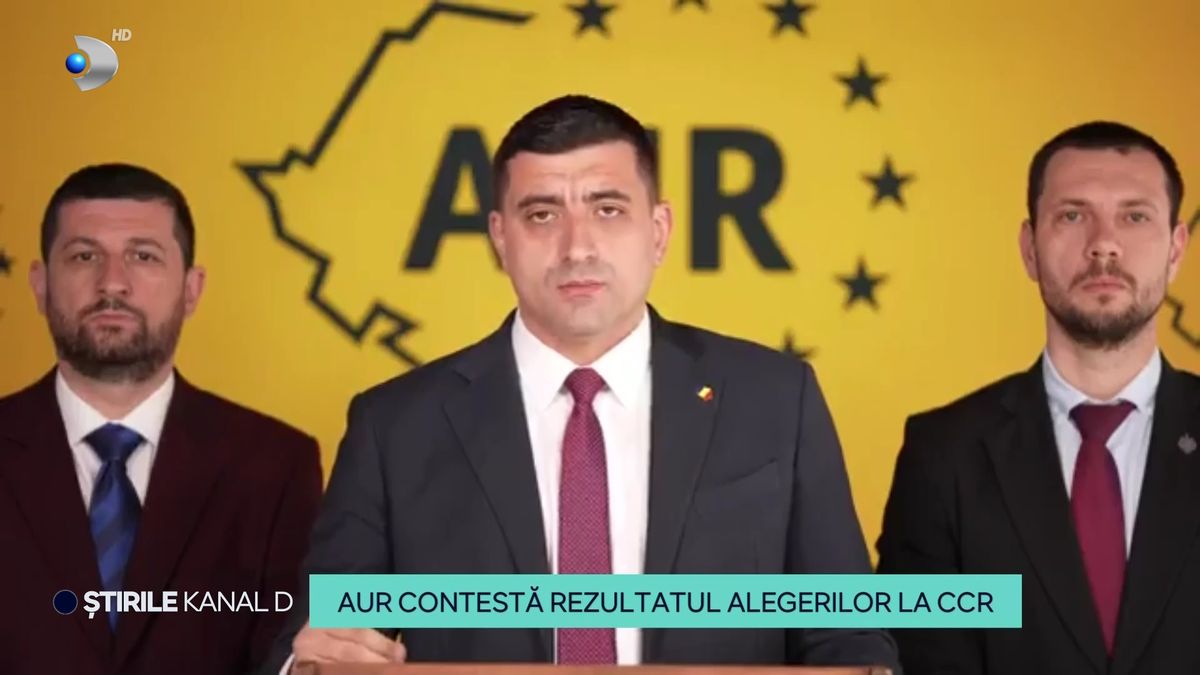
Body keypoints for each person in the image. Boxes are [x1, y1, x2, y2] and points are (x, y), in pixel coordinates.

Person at [265, 94, 899, 673]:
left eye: (608, 209)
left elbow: (851, 639)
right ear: (500, 238)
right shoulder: (396, 427)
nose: (577, 247)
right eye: (542, 214)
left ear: (658, 232)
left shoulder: (776, 400)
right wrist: (307, 663)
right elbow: (320, 639)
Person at [877, 121, 1196, 674]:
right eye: (1072, 215)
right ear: (1029, 249)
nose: (1103, 242)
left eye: (1135, 216)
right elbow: (921, 657)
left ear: (1176, 249)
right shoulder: (943, 455)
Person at [0, 164, 323, 675]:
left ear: (192, 289)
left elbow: (293, 648)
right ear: (39, 285)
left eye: (143, 256)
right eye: (84, 256)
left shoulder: (276, 465)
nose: (112, 283)